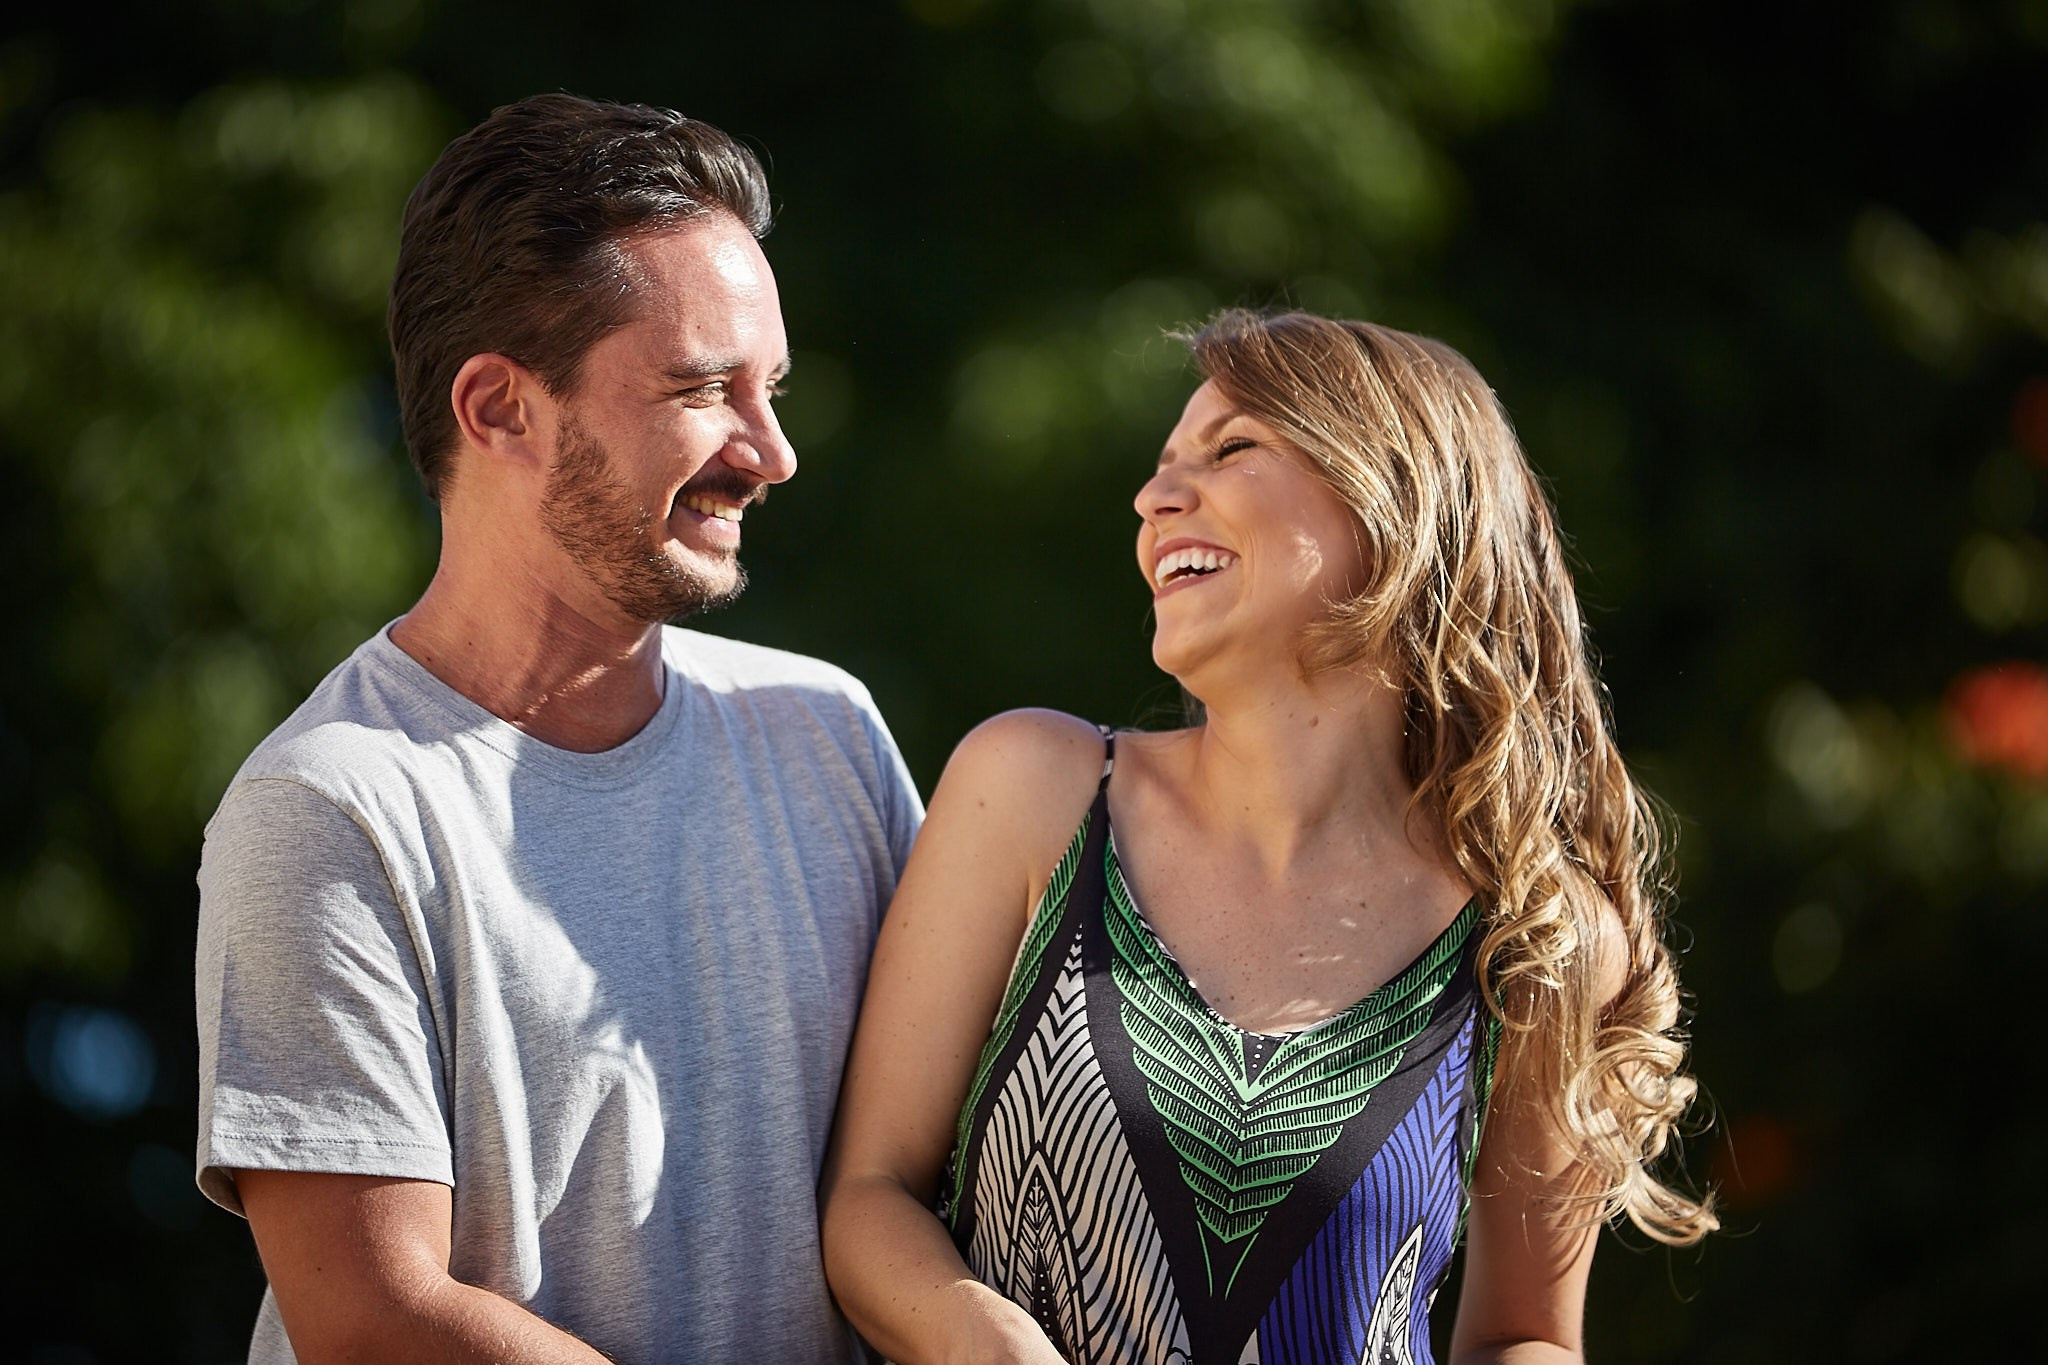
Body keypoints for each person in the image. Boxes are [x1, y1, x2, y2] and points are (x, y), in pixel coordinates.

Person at [820, 310, 1716, 1363]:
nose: (1154, 499)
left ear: (1396, 503)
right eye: (1161, 468)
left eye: (1232, 447)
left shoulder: (1535, 937)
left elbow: (1524, 1336)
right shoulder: (1033, 792)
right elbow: (868, 1196)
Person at [195, 94, 922, 1365]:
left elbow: (947, 1165)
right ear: (497, 409)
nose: (772, 452)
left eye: (773, 389)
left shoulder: (829, 736)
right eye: (705, 389)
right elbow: (376, 1321)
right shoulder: (331, 808)